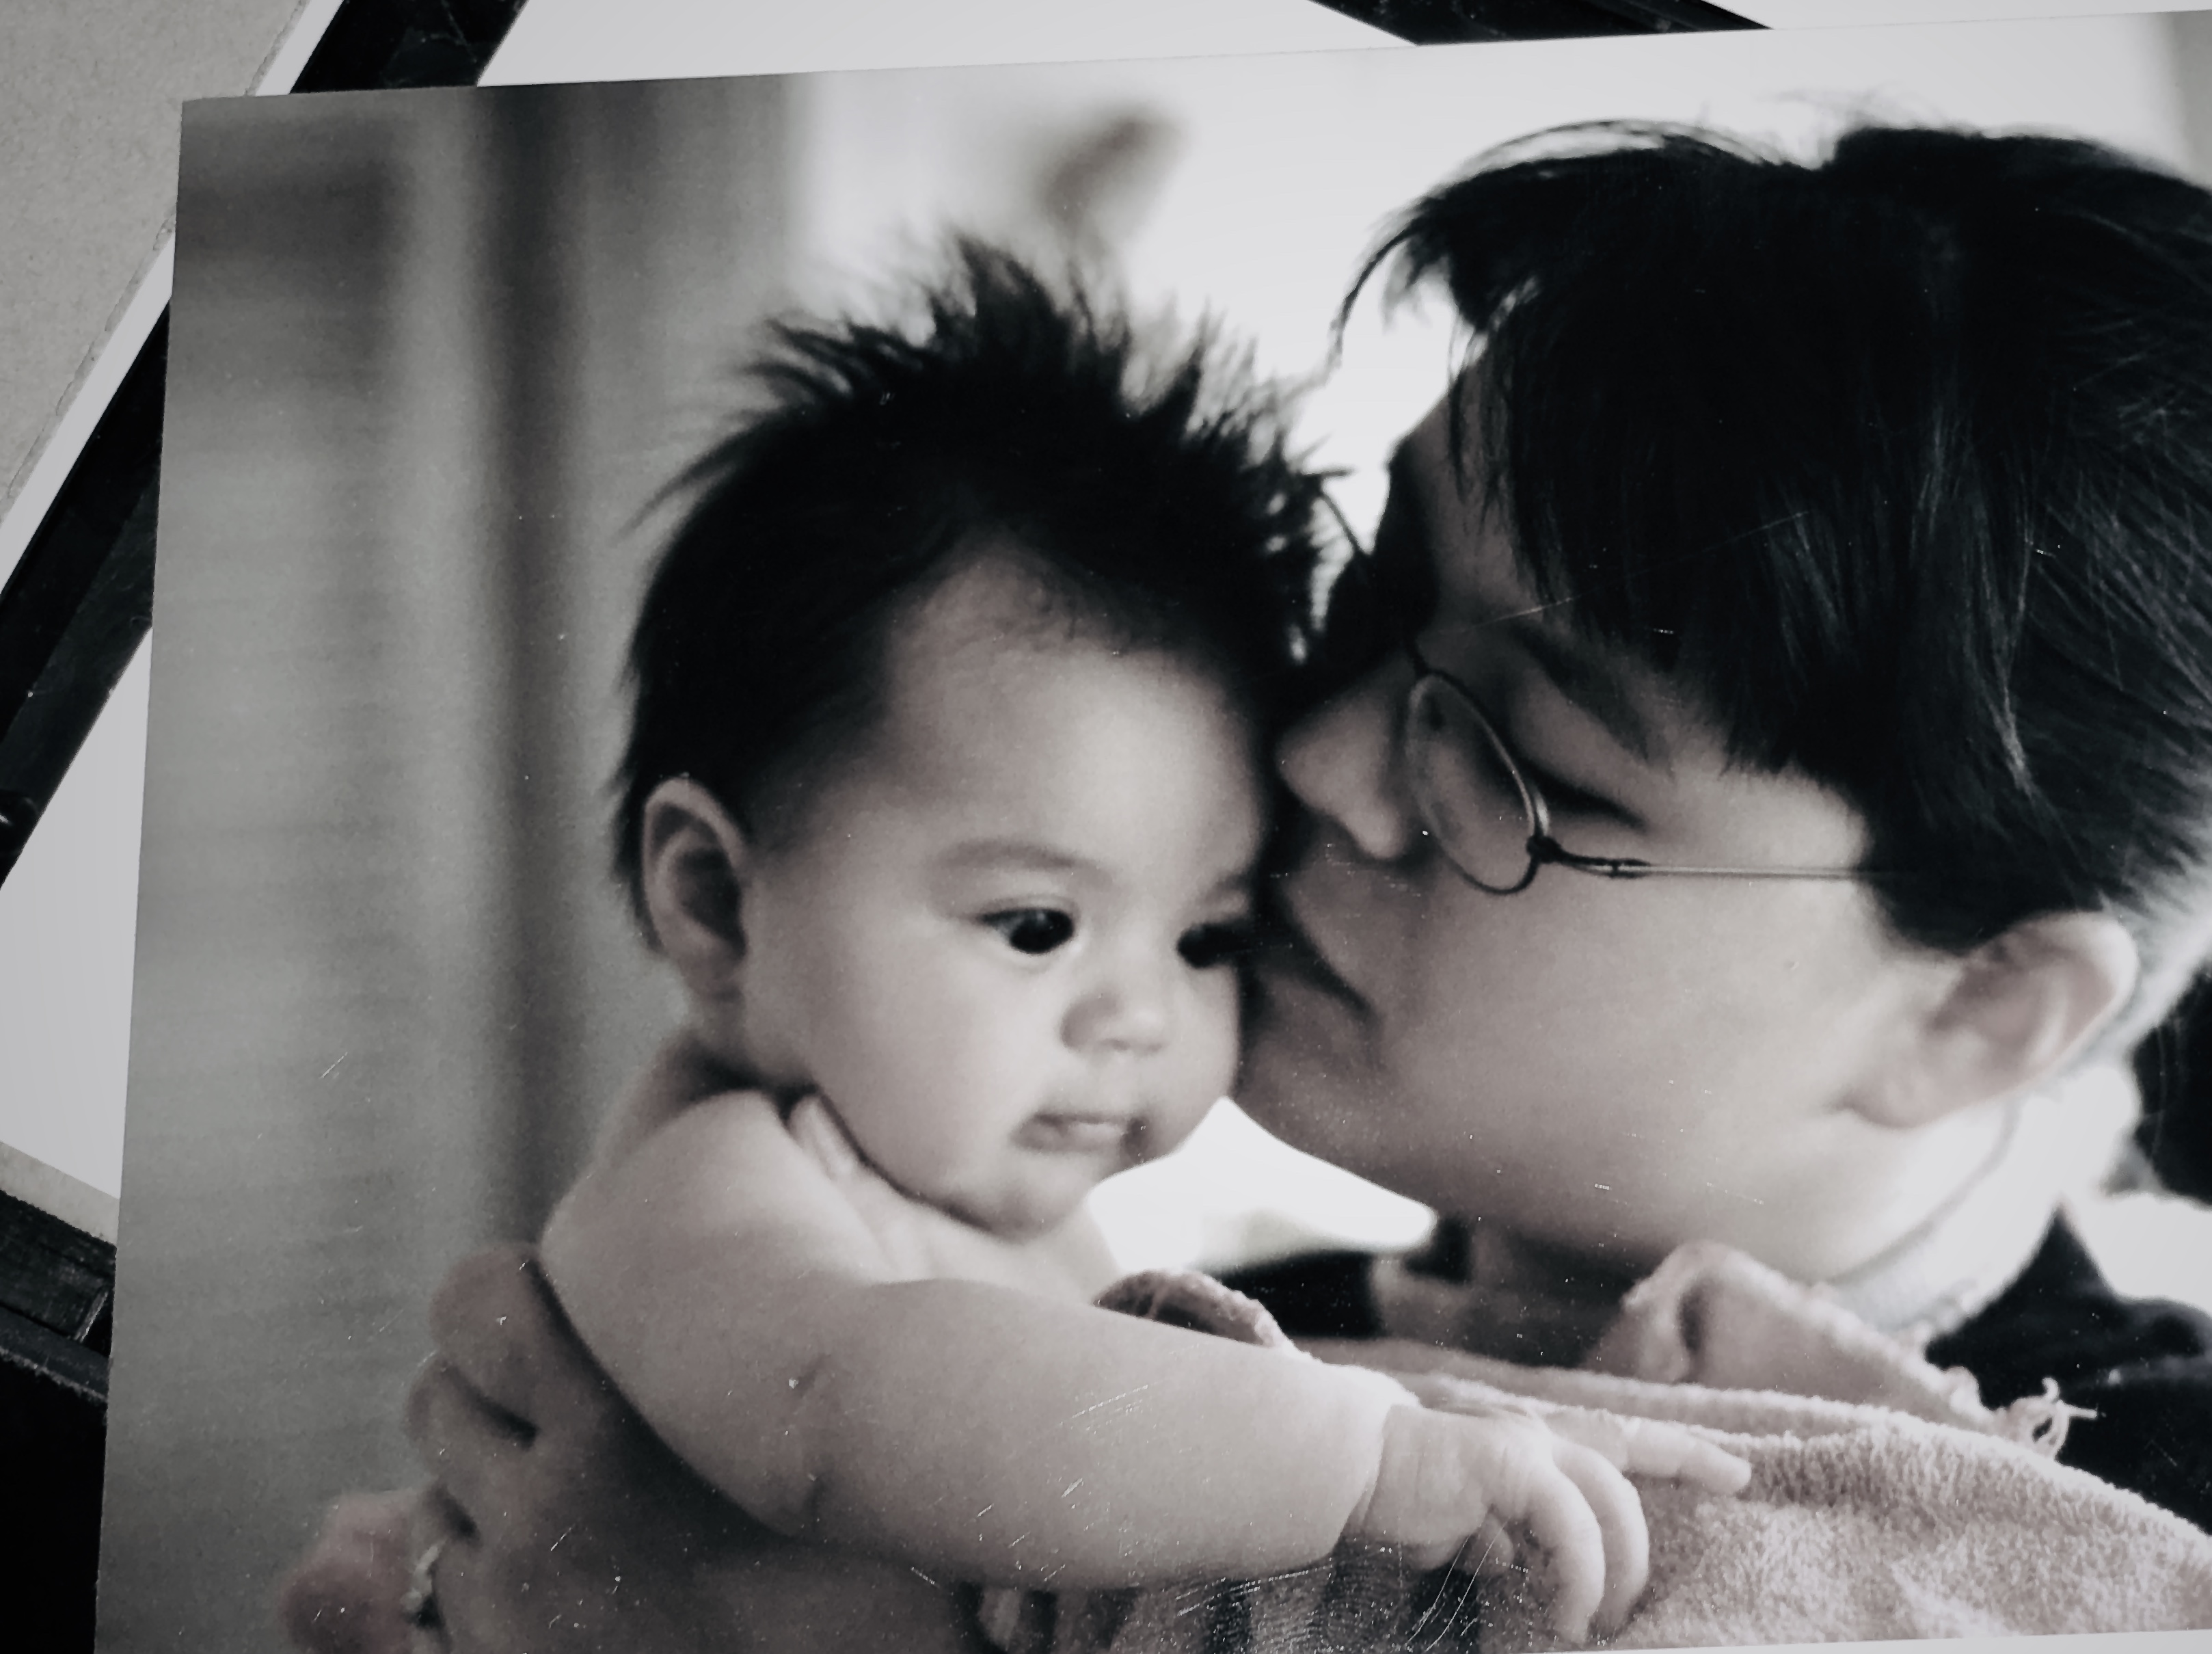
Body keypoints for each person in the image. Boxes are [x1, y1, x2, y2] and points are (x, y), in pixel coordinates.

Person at [286, 122, 2212, 1654]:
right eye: (1381, 599)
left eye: (1520, 758)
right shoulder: (1222, 1366)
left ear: (1980, 1006)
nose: (1316, 756)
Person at [414, 242, 1751, 1651]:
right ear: (714, 902)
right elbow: (844, 1409)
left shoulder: (986, 1199)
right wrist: (1359, 1459)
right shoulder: (710, 1185)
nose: (1137, 1019)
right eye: (1038, 925)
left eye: (1205, 936)